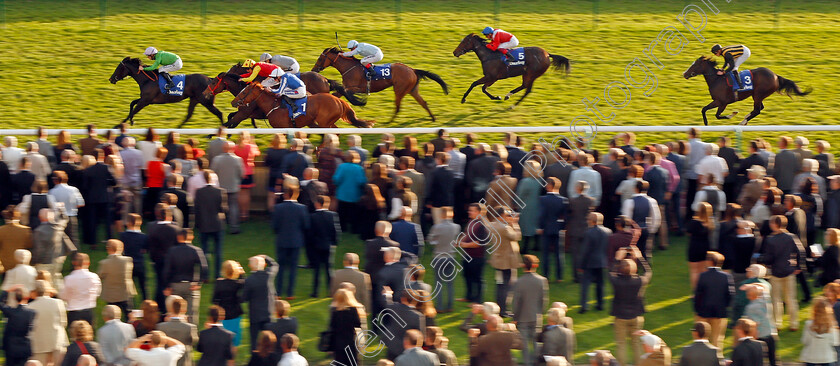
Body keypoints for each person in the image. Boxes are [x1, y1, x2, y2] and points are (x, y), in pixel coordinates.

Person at [760, 215, 806, 331]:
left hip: (775, 272)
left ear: (776, 224)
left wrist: (762, 260)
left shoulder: (770, 239)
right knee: (791, 299)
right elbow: (801, 251)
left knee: (776, 300)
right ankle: (793, 324)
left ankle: (777, 324)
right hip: (789, 271)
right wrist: (799, 266)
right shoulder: (791, 237)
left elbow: (769, 258)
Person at [610, 253, 652, 366]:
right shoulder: (639, 281)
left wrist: (617, 258)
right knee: (636, 343)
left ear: (620, 270)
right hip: (636, 316)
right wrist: (640, 257)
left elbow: (610, 272)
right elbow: (648, 272)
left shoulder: (616, 281)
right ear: (634, 270)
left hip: (621, 317)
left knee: (621, 344)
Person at [164, 228, 208, 325]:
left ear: (178, 237)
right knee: (192, 313)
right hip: (191, 286)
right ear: (191, 237)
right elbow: (204, 267)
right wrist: (199, 282)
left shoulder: (172, 251)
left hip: (175, 285)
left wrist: (167, 286)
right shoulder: (196, 250)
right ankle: (192, 334)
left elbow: (167, 270)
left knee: (174, 312)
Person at [512, 254, 549, 366]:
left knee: (525, 345)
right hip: (536, 316)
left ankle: (528, 363)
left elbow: (516, 302)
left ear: (523, 266)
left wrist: (515, 318)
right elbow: (544, 300)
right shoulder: (542, 280)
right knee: (536, 342)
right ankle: (536, 362)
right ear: (535, 265)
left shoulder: (519, 282)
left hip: (522, 317)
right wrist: (540, 312)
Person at [693, 251, 734, 348]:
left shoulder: (703, 276)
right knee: (717, 338)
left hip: (703, 312)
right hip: (719, 312)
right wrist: (724, 306)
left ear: (710, 261)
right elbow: (731, 295)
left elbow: (698, 294)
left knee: (701, 337)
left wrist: (697, 310)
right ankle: (717, 359)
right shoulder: (727, 277)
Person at [28, 280, 69, 366]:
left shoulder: (29, 307)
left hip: (39, 343)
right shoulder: (58, 302)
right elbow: (63, 322)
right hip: (57, 341)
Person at [242, 255, 278, 351]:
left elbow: (244, 298)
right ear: (264, 265)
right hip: (268, 313)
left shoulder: (249, 280)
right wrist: (265, 257)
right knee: (269, 340)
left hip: (255, 315)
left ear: (251, 266)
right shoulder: (269, 274)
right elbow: (275, 265)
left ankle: (254, 359)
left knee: (254, 341)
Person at [538, 177, 569, 282]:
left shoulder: (543, 199)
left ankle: (546, 275)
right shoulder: (563, 200)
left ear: (549, 186)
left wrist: (541, 227)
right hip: (558, 229)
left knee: (546, 254)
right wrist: (562, 228)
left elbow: (541, 215)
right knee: (559, 254)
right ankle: (559, 277)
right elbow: (565, 217)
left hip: (546, 228)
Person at [210, 141, 244, 235]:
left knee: (219, 208)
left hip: (220, 188)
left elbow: (212, 173)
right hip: (233, 187)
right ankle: (234, 227)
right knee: (233, 207)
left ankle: (219, 227)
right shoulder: (238, 159)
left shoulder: (217, 159)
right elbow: (241, 174)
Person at [580, 212, 611, 313]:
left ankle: (584, 306)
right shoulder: (608, 231)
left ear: (592, 221)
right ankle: (600, 304)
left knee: (585, 285)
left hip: (589, 262)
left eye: (588, 219)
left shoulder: (588, 232)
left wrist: (581, 264)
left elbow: (585, 250)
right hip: (602, 261)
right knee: (600, 284)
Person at [61, 253, 102, 327]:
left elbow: (64, 296)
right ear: (88, 263)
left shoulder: (69, 279)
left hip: (74, 311)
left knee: (75, 335)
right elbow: (97, 292)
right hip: (89, 309)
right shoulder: (94, 277)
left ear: (74, 263)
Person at [98, 239, 136, 317]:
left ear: (108, 249)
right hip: (125, 292)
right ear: (121, 248)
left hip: (111, 294)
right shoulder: (128, 260)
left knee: (112, 315)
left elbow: (100, 276)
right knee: (129, 314)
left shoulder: (104, 263)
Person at [211, 260, 245, 348]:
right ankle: (232, 361)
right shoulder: (237, 284)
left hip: (222, 315)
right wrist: (241, 273)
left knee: (222, 338)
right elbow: (245, 282)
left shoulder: (219, 283)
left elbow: (214, 299)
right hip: (235, 314)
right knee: (235, 339)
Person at [328, 288, 365, 366]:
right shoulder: (353, 311)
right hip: (350, 342)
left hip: (338, 344)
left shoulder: (335, 312)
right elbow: (358, 324)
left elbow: (332, 327)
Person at [157, 297, 198, 366]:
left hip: (167, 360)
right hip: (184, 360)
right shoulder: (190, 327)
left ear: (171, 309)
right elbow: (194, 342)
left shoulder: (161, 326)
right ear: (184, 310)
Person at [0, 288, 36, 366]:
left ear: (14, 298)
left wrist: (6, 291)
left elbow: (1, 304)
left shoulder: (11, 312)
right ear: (26, 297)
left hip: (10, 347)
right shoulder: (31, 313)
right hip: (24, 347)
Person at [687, 202, 714, 289]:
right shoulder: (710, 223)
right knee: (703, 270)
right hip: (705, 247)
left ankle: (696, 291)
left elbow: (689, 233)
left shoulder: (694, 222)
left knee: (694, 271)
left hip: (694, 247)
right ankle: (703, 290)